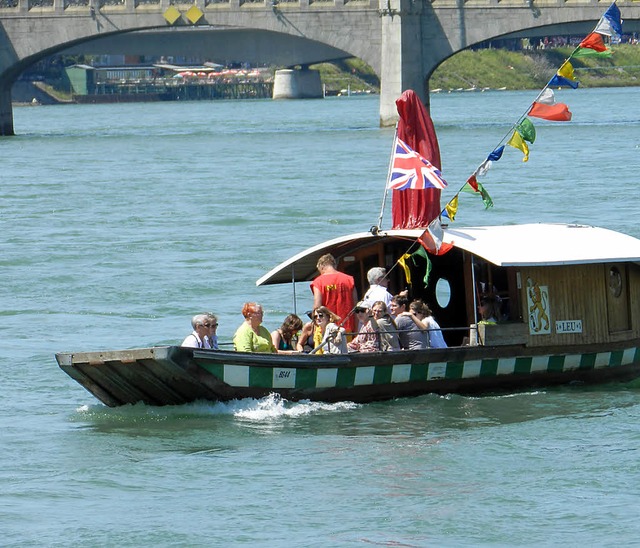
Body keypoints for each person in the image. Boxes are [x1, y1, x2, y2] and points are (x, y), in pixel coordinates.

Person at [310, 253, 357, 335]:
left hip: (326, 328)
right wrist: (356, 328)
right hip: (346, 327)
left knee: (325, 348)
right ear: (334, 265)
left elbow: (317, 306)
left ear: (322, 267)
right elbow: (355, 305)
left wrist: (314, 326)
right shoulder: (349, 280)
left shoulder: (318, 281)